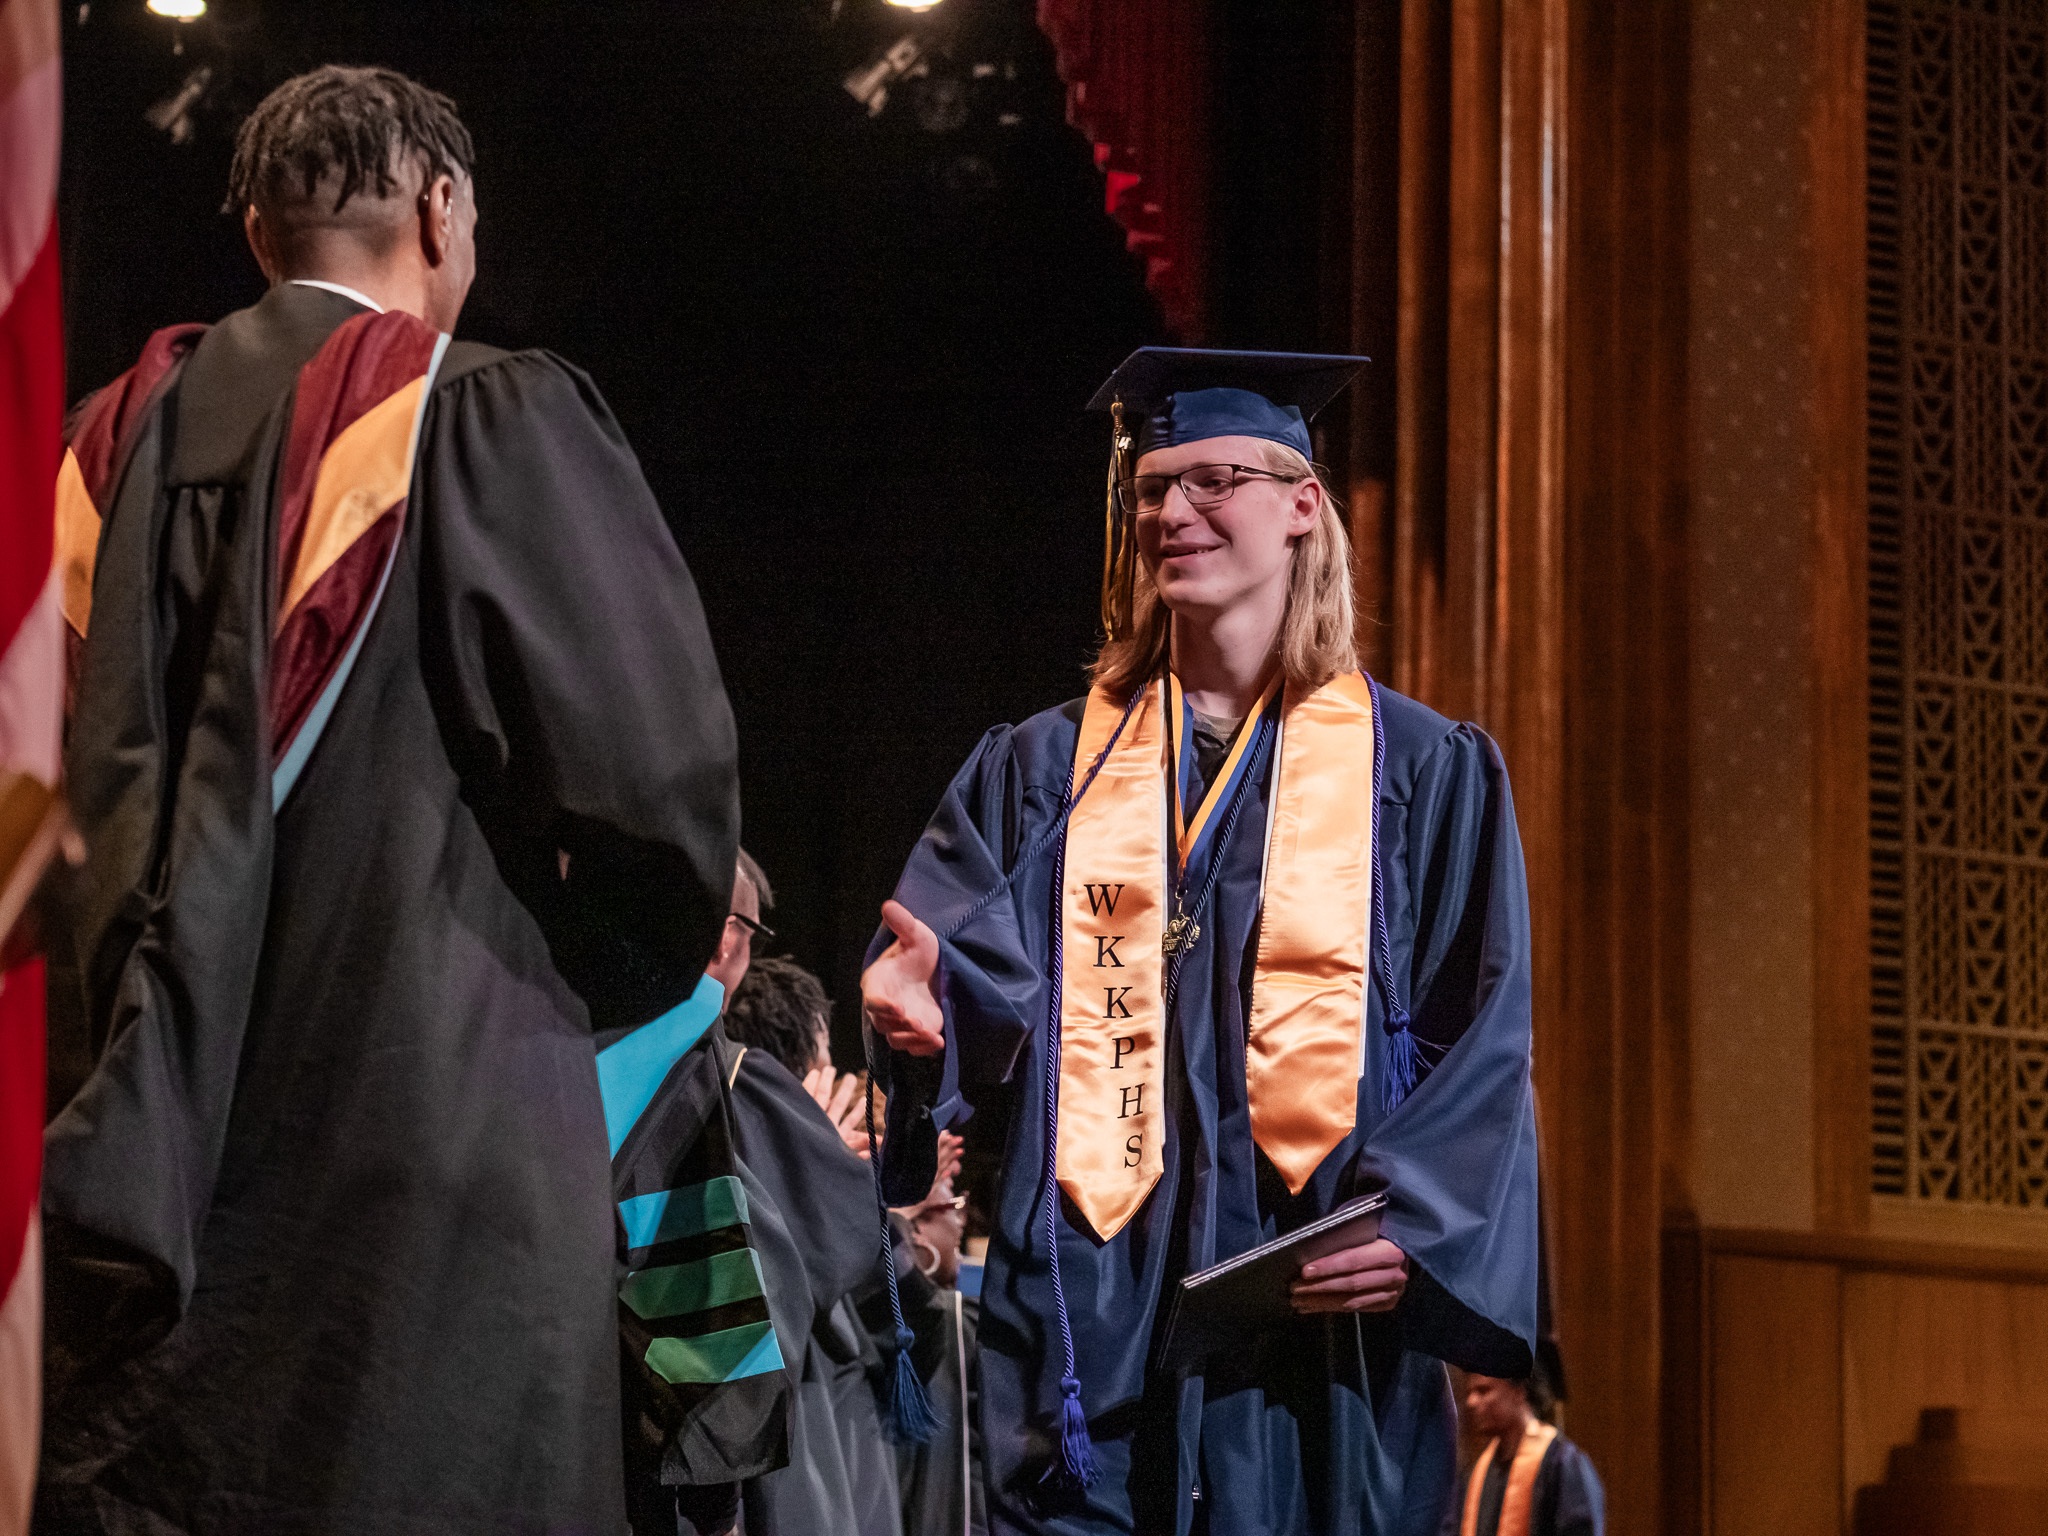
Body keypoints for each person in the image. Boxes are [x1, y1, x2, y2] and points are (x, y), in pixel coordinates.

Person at [38, 65, 738, 1532]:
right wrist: (598, 984)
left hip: (132, 1169)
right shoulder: (487, 412)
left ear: (254, 231)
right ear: (440, 210)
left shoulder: (93, 457)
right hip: (435, 1152)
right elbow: (651, 795)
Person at [861, 349, 1539, 1534]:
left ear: (1301, 506)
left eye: (1214, 480)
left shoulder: (1419, 774)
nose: (1172, 511)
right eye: (1151, 490)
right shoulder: (1043, 774)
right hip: (1092, 1319)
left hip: (1312, 1321)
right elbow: (954, 988)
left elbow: (1479, 1034)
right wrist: (919, 1027)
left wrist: (1422, 1231)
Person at [1445, 1375, 1603, 1536]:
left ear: (1519, 1392)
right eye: (1470, 1392)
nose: (1471, 1401)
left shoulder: (1562, 1463)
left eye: (1484, 1390)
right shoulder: (1476, 1471)